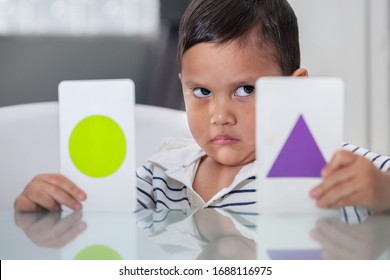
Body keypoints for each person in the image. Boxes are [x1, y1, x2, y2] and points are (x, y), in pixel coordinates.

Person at [13, 0, 390, 213]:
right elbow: (99, 219)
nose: (220, 116)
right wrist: (45, 210)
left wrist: (381, 192)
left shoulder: (328, 166)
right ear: (182, 87)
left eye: (245, 89)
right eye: (202, 92)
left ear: (295, 90)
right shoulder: (161, 178)